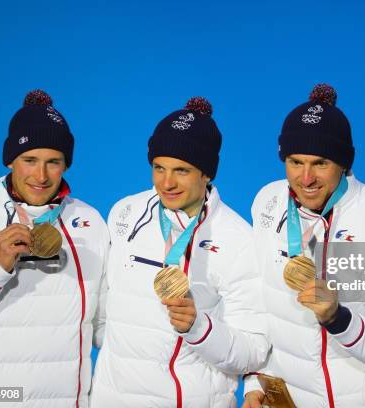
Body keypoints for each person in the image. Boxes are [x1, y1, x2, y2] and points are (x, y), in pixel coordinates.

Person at [243, 84, 365, 407]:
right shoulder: (267, 202)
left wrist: (339, 318)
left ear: (344, 163)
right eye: (295, 162)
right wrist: (255, 379)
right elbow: (260, 303)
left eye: (320, 163)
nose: (305, 178)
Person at [90, 97, 269, 407]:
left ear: (207, 173)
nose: (167, 183)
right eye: (159, 168)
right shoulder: (125, 213)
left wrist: (198, 328)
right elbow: (106, 307)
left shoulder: (238, 239)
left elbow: (254, 349)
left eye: (181, 170)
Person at [0, 90, 109, 407]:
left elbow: (107, 327)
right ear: (10, 159)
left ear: (66, 165)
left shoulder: (89, 222)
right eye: (29, 160)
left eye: (53, 162)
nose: (41, 176)